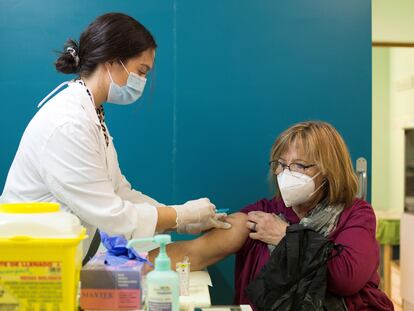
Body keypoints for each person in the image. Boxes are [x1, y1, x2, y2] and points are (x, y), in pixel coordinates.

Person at [0, 13, 230, 261]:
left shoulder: (91, 113)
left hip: (52, 260)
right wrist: (180, 216)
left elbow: (119, 191)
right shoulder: (68, 124)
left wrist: (179, 218)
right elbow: (112, 214)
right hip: (25, 264)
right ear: (111, 61)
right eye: (140, 71)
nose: (142, 81)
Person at [148, 121, 393, 310]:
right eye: (281, 164)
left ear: (329, 171)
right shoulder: (261, 215)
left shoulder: (355, 214)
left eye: (299, 165)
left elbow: (346, 278)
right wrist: (126, 264)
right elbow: (195, 253)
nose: (286, 173)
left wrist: (287, 238)